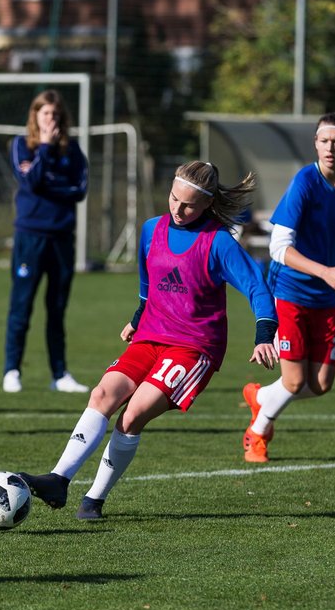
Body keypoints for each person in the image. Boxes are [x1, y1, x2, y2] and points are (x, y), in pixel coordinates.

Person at [18, 161, 279, 520]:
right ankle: (58, 480)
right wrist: (138, 317)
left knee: (133, 413)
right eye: (173, 198)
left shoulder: (218, 242)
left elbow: (257, 287)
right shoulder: (150, 229)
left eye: (188, 205)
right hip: (150, 336)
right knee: (102, 394)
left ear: (207, 205)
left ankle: (93, 499)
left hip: (194, 347)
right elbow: (148, 282)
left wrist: (264, 335)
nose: (177, 208)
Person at [240, 113, 335, 463]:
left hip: (324, 296)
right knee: (293, 382)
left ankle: (261, 396)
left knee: (320, 384)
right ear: (315, 144)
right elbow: (279, 248)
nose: (330, 147)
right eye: (323, 140)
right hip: (289, 291)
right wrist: (324, 271)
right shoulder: (304, 182)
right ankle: (258, 433)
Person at [2, 89, 90, 394]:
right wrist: (44, 150)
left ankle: (59, 374)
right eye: (44, 113)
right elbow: (31, 181)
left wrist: (49, 183)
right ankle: (12, 370)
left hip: (62, 239)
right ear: (35, 116)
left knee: (57, 308)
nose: (50, 119)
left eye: (54, 114)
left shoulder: (74, 151)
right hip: (30, 237)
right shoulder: (22, 146)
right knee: (21, 305)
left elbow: (78, 190)